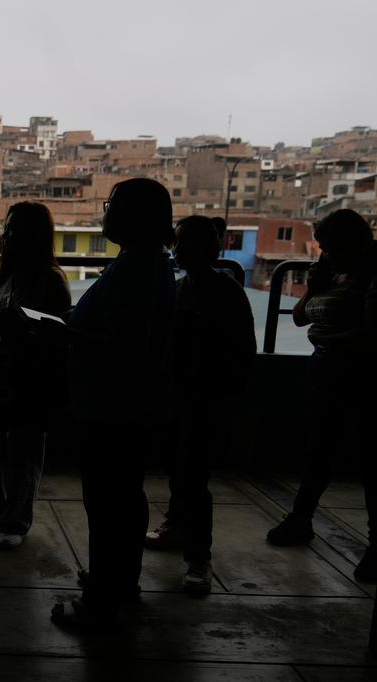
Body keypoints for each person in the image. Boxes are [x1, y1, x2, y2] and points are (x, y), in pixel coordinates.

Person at [49, 178, 176, 627]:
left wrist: (63, 334)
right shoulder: (146, 261)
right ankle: (122, 578)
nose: (105, 213)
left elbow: (126, 345)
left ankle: (100, 601)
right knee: (127, 496)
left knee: (105, 504)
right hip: (131, 407)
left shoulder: (136, 266)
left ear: (135, 217)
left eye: (112, 205)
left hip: (115, 408)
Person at [266, 209, 377, 583]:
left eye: (333, 247)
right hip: (329, 377)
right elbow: (299, 318)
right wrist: (313, 287)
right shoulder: (335, 274)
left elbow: (375, 335)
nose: (326, 255)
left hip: (369, 382)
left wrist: (323, 340)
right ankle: (300, 518)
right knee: (319, 452)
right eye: (323, 248)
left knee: (373, 463)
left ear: (360, 243)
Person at [144, 216, 256, 594]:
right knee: (176, 468)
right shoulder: (178, 289)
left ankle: (199, 557)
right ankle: (177, 526)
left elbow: (242, 352)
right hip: (177, 396)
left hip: (203, 399)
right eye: (176, 243)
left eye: (184, 243)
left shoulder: (225, 291)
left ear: (209, 248)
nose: (176, 250)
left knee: (193, 477)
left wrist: (220, 397)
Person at [0, 201, 71, 550]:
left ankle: (15, 520)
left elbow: (58, 337)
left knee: (24, 452)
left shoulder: (51, 280)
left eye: (14, 229)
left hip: (31, 375)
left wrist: (14, 329)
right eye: (7, 227)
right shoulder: (7, 275)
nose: (7, 235)